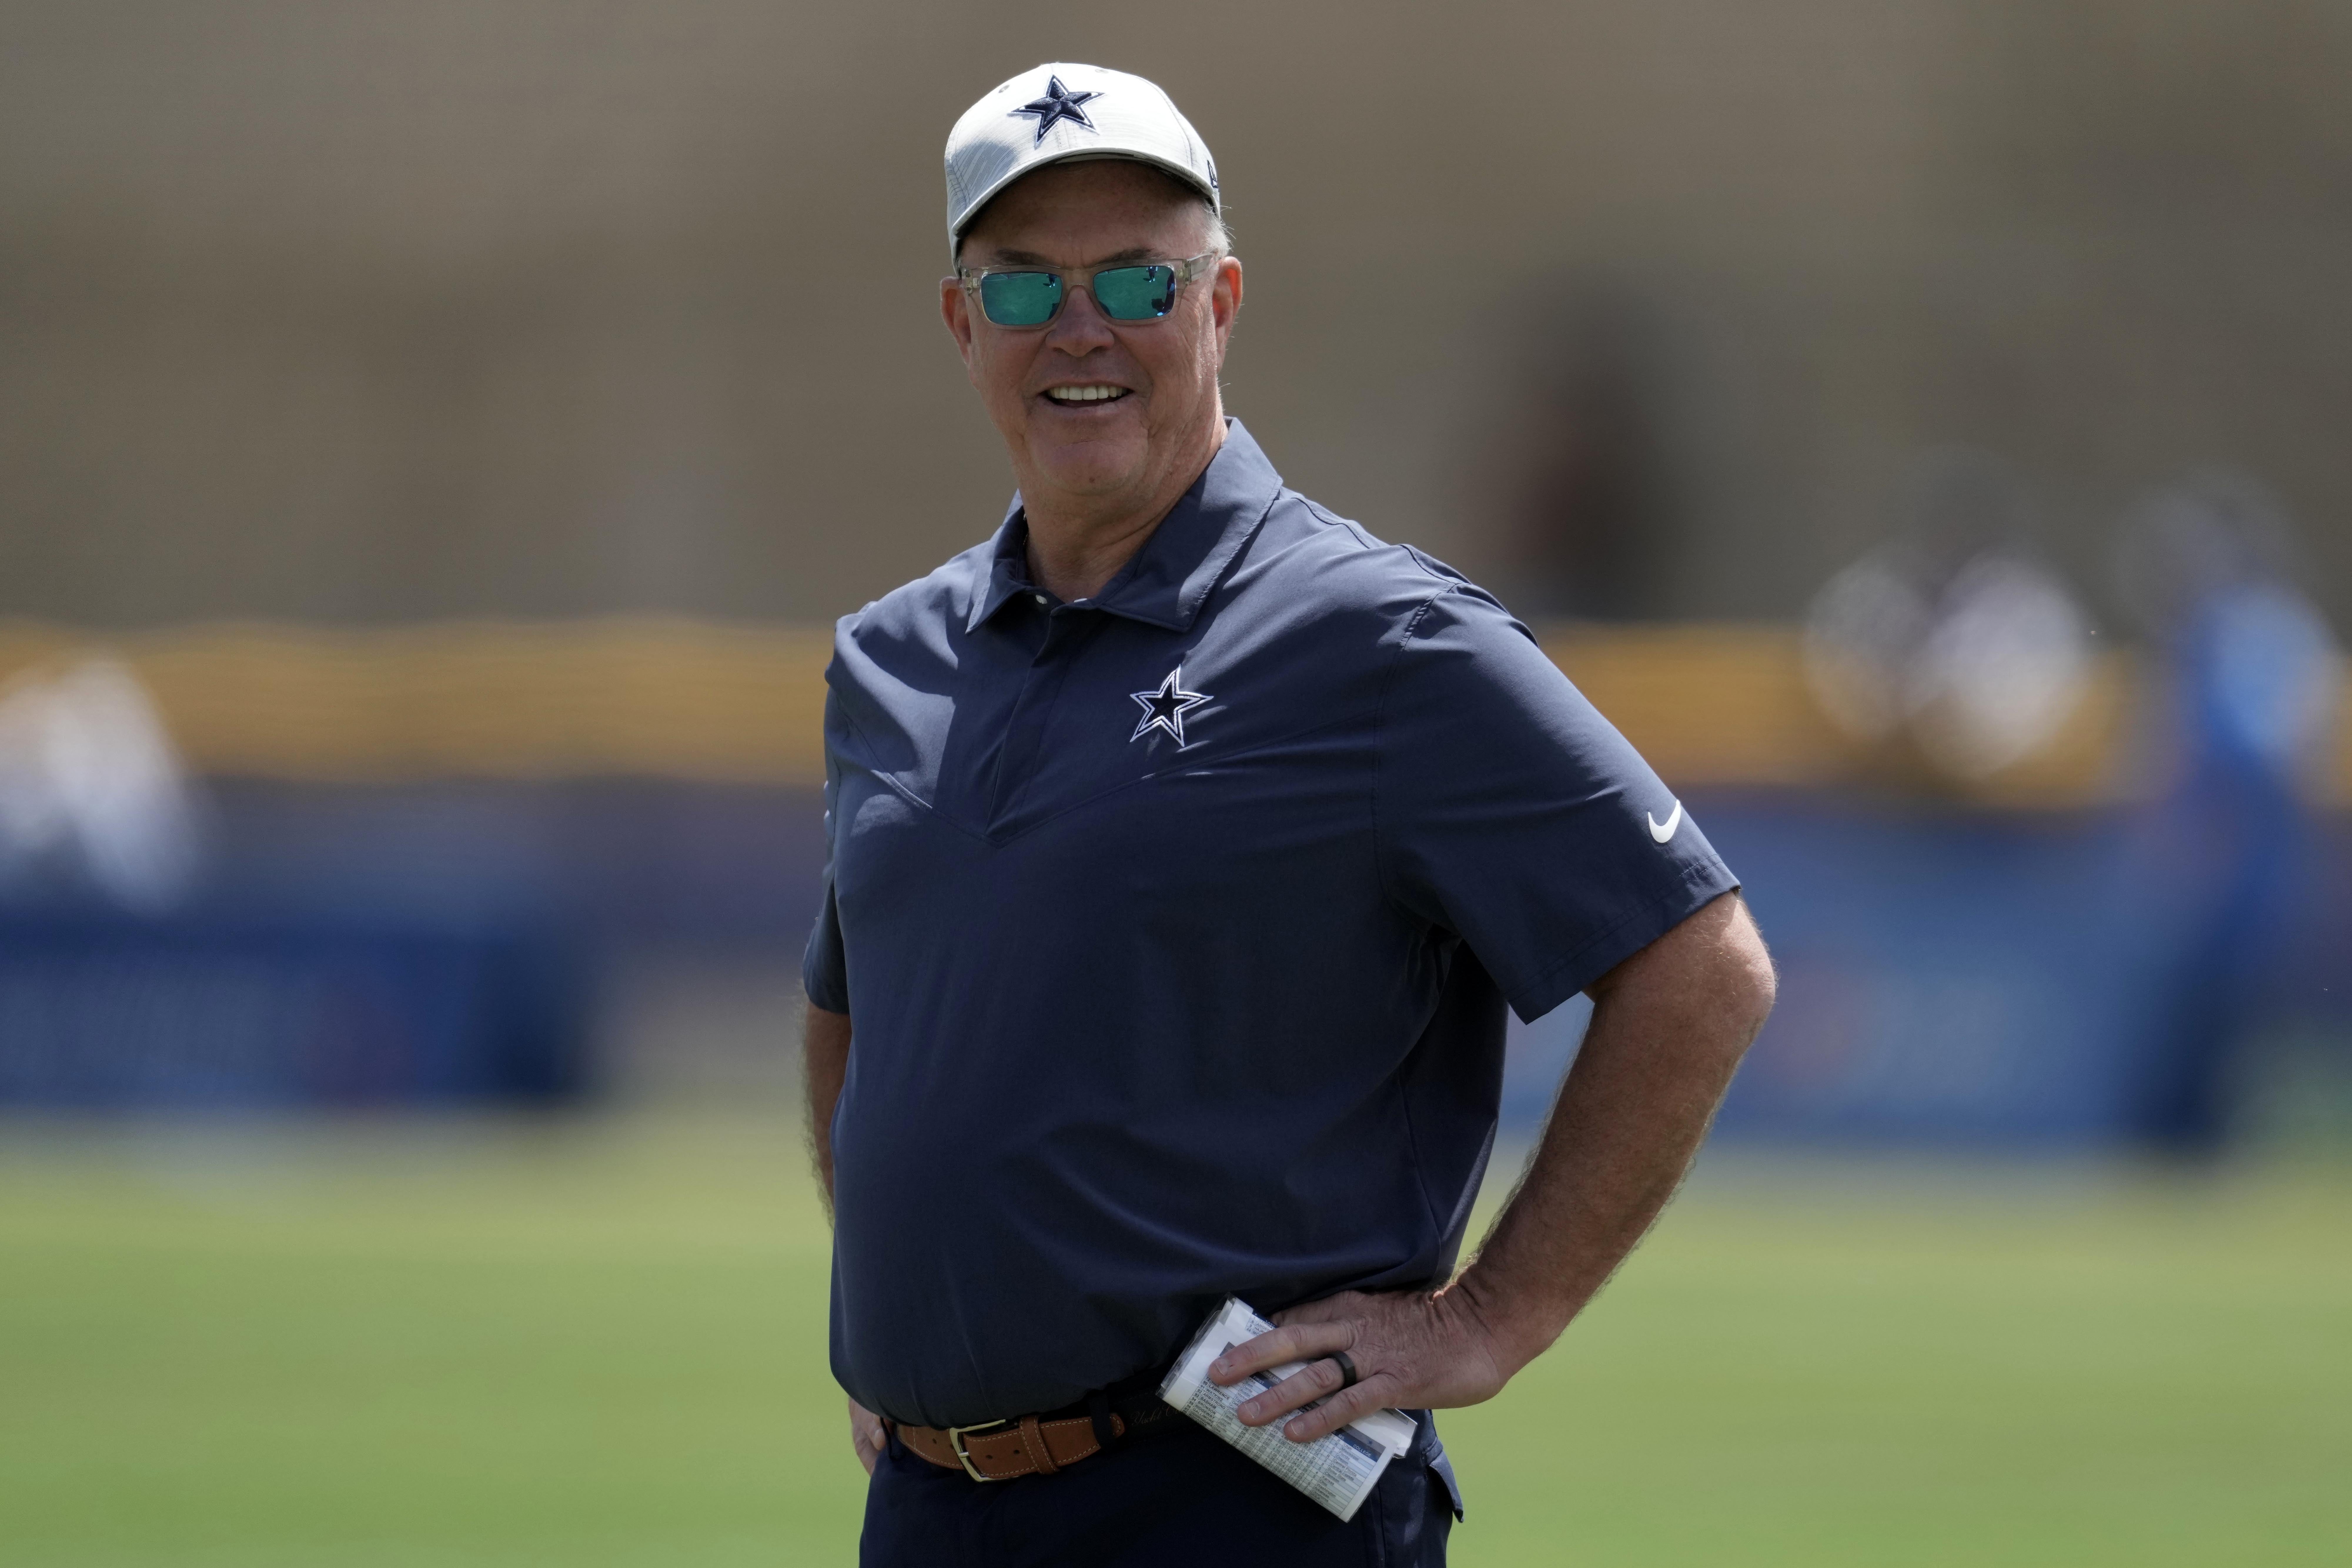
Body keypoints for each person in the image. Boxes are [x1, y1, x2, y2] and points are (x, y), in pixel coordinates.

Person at [800, 62, 1777, 1566]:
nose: (1082, 329)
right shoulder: (891, 657)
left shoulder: (1382, 641)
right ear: (958, 320)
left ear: (1222, 301)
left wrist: (1489, 1317)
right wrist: (908, 1306)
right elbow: (859, 1003)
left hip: (1236, 1500)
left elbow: (1701, 964)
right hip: (933, 1508)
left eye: (1138, 276)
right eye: (1022, 289)